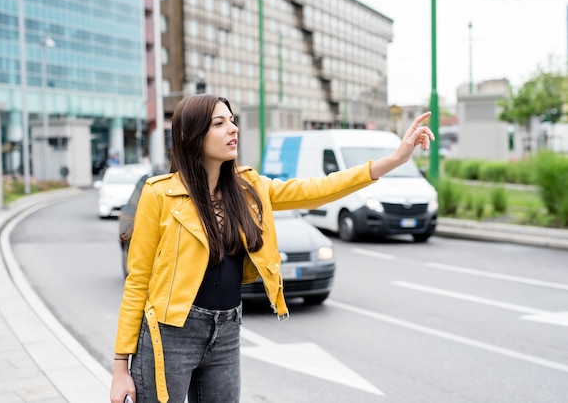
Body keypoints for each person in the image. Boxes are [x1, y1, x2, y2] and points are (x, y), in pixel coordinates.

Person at [110, 94, 434, 403]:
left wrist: (394, 159)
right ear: (190, 135)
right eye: (218, 123)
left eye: (232, 121)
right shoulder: (159, 195)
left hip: (226, 331)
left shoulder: (250, 188)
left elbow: (320, 189)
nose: (233, 128)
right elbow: (137, 282)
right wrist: (120, 368)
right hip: (170, 333)